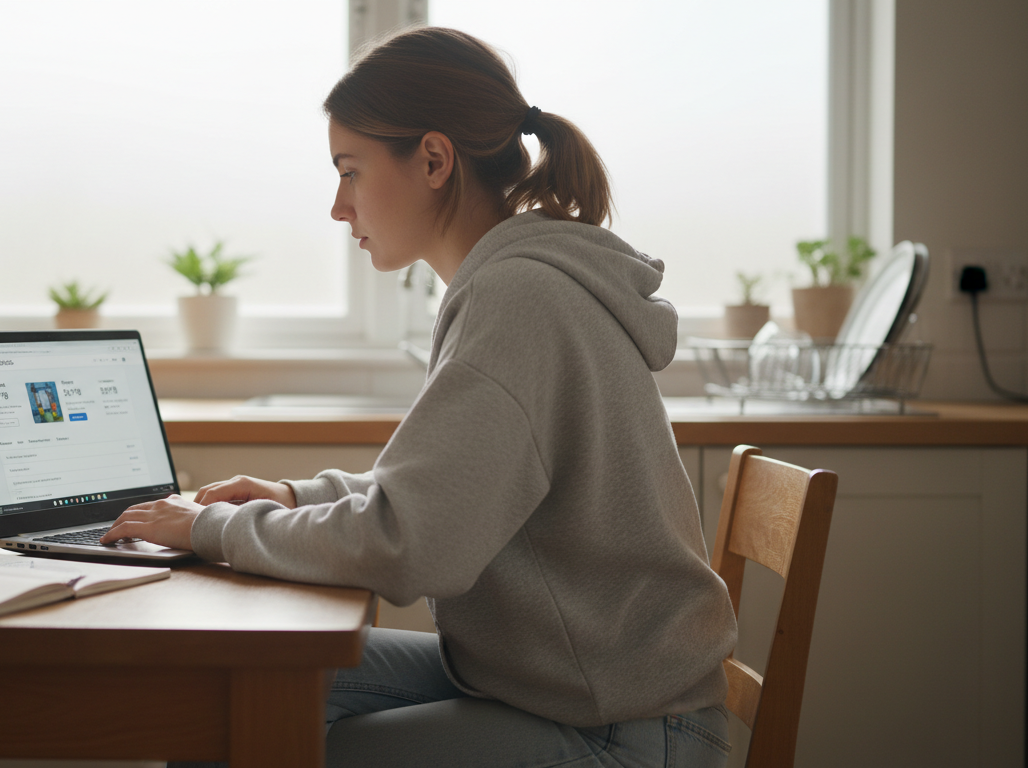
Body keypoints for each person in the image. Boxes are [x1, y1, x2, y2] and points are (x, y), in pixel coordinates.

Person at [104, 26, 738, 768]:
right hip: (558, 688)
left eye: (350, 171)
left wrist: (210, 527)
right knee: (220, 698)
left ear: (434, 159)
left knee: (274, 736)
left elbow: (412, 545)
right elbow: (438, 493)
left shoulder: (519, 299)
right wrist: (289, 495)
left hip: (622, 732)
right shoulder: (513, 284)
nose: (339, 208)